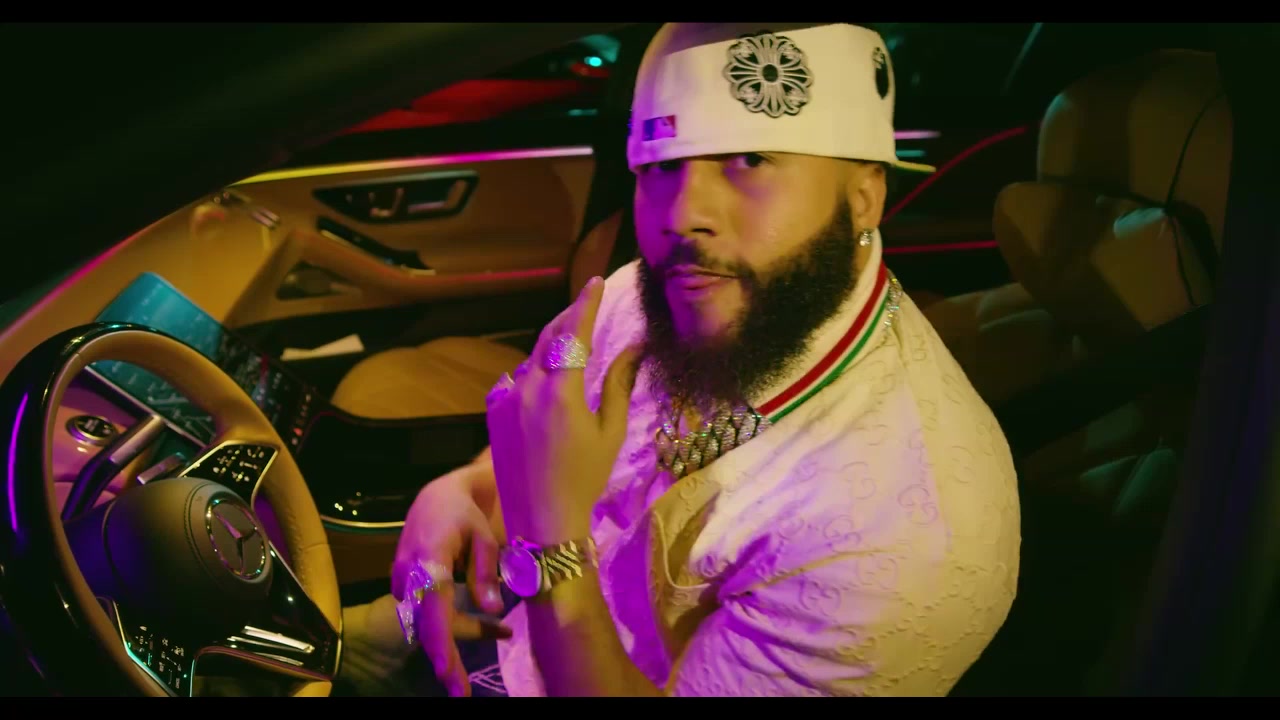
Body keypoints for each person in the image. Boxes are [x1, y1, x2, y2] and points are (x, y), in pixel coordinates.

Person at [346, 21, 1021, 697]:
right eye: (662, 167)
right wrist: (460, 492)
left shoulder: (900, 539)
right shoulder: (645, 296)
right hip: (487, 626)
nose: (680, 215)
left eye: (749, 159)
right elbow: (542, 440)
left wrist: (550, 547)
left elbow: (552, 518)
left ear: (864, 194)